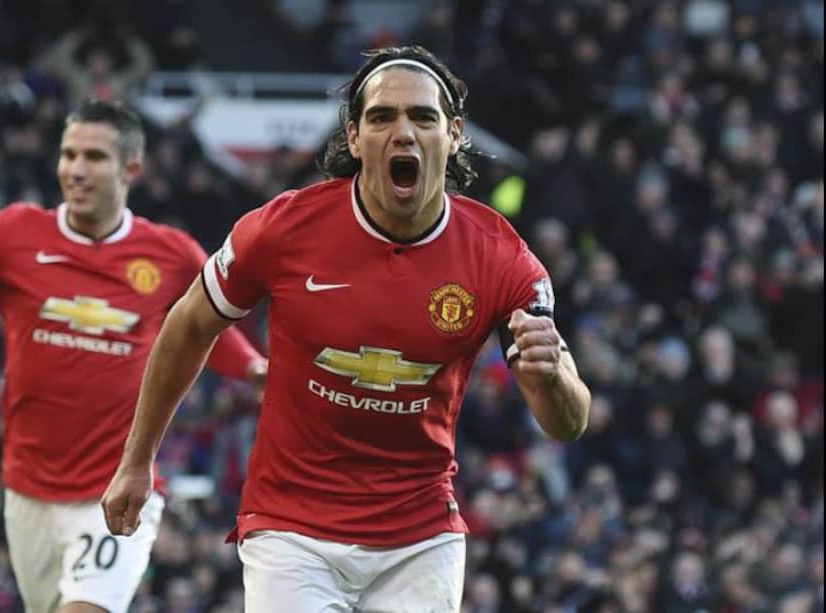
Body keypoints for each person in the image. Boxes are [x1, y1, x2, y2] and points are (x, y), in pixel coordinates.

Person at [102, 45, 590, 612]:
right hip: (291, 527)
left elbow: (568, 422)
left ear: (454, 134)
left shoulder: (502, 259)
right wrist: (137, 461)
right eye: (382, 117)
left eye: (422, 117)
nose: (402, 132)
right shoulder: (284, 230)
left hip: (420, 536)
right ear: (355, 137)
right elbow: (188, 325)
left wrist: (550, 377)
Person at [0, 99, 267, 613]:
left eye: (94, 157)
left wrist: (252, 367)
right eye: (68, 154)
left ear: (131, 168)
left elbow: (204, 330)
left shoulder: (170, 253)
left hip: (116, 488)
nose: (75, 170)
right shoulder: (13, 234)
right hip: (27, 488)